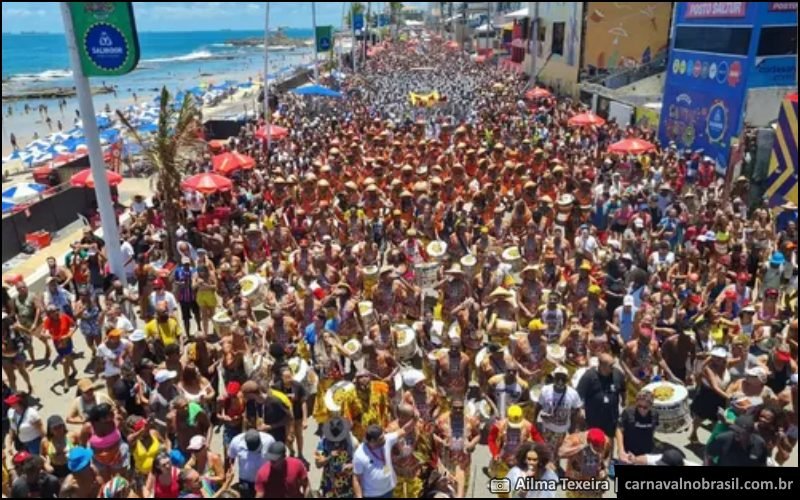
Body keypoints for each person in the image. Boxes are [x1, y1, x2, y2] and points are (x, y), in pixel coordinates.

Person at [353, 420, 417, 499]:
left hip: (389, 490)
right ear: (372, 441)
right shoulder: (360, 455)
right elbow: (356, 478)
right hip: (372, 495)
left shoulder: (387, 440)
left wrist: (415, 419)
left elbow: (404, 430)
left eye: (383, 436)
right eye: (381, 439)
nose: (384, 439)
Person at [533, 365, 583, 460]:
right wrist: (534, 422)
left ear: (567, 379)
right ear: (554, 378)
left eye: (563, 378)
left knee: (556, 453)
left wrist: (573, 428)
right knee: (546, 452)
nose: (560, 381)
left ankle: (552, 464)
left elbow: (577, 410)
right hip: (546, 428)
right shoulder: (545, 390)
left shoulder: (573, 393)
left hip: (561, 430)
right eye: (558, 377)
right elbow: (538, 406)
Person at [576, 353, 626, 440]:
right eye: (610, 365)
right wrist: (580, 411)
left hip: (611, 420)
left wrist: (624, 401)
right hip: (593, 421)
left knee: (608, 444)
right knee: (593, 444)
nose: (613, 367)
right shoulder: (589, 377)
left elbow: (623, 389)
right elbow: (578, 396)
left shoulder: (617, 374)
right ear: (602, 366)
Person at [315, 416, 359, 498]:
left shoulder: (353, 441)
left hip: (347, 486)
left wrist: (352, 465)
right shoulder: (323, 442)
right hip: (329, 485)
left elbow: (360, 462)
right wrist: (329, 457)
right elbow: (318, 464)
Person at [41, 304, 78, 391]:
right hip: (57, 343)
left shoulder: (64, 317)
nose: (55, 313)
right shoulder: (48, 320)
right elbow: (43, 332)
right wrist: (46, 335)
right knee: (67, 357)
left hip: (66, 341)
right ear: (49, 314)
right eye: (52, 312)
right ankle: (74, 370)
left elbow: (75, 326)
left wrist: (69, 335)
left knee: (65, 361)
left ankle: (66, 381)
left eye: (56, 310)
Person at [227, 429, 274, 497]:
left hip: (264, 480)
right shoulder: (236, 441)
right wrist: (230, 469)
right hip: (245, 481)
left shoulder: (269, 440)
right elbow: (231, 457)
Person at [616, 390, 658, 463]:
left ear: (651, 406)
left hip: (646, 453)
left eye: (645, 407)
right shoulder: (628, 412)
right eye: (639, 406)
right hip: (628, 451)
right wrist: (621, 450)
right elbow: (619, 429)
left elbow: (654, 430)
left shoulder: (654, 414)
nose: (641, 409)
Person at [40, 415, 77, 479]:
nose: (58, 430)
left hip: (72, 466)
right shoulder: (45, 441)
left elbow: (81, 447)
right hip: (55, 469)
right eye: (55, 428)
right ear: (50, 430)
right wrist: (46, 464)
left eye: (60, 426)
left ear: (63, 426)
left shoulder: (71, 435)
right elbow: (41, 455)